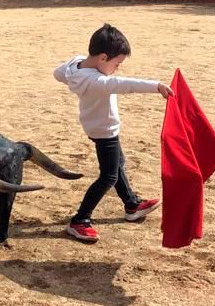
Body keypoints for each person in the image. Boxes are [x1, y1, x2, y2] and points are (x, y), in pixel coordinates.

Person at [54, 23, 173, 243]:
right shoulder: (97, 81)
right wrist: (156, 86)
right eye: (117, 63)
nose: (117, 68)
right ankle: (80, 220)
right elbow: (124, 84)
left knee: (117, 164)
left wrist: (70, 77)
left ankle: (131, 204)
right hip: (104, 130)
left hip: (95, 125)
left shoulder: (77, 64)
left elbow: (58, 73)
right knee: (108, 175)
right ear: (102, 58)